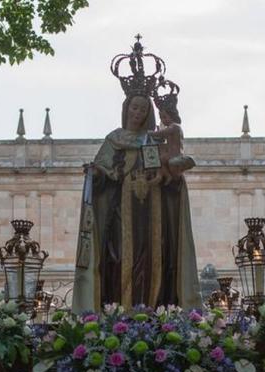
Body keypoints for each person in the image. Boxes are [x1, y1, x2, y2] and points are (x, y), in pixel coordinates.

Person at [71, 63, 201, 311]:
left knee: (154, 261)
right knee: (118, 259)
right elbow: (102, 173)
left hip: (154, 215)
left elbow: (170, 175)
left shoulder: (154, 140)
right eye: (134, 107)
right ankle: (119, 312)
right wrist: (95, 173)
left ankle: (151, 311)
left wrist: (172, 177)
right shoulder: (113, 140)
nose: (138, 112)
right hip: (120, 214)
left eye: (143, 108)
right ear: (126, 109)